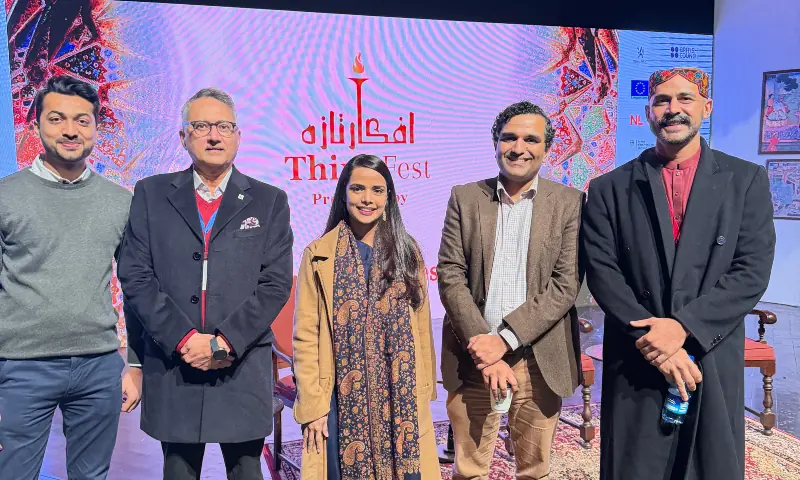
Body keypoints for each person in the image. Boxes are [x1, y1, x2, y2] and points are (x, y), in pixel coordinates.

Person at [581, 67, 776, 479]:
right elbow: (602, 272)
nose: (673, 109)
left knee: (709, 465)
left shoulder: (745, 181)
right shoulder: (608, 188)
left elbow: (751, 271)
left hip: (710, 349)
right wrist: (659, 342)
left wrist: (683, 327)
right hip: (639, 353)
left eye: (685, 99)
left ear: (706, 107)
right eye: (662, 101)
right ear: (648, 112)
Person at [118, 87, 293, 480]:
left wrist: (222, 341)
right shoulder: (152, 194)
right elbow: (136, 275)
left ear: (238, 136)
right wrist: (184, 339)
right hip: (173, 363)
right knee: (178, 471)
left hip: (239, 361)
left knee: (247, 470)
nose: (214, 135)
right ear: (183, 137)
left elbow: (275, 282)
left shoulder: (269, 201)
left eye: (224, 126)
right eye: (201, 126)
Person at [437, 101, 584, 479]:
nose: (519, 147)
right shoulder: (465, 197)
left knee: (534, 471)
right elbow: (451, 274)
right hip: (474, 356)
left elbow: (565, 285)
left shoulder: (569, 203)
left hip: (539, 358)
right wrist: (485, 348)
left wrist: (503, 340)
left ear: (547, 149)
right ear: (496, 143)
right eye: (509, 137)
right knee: (469, 469)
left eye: (531, 139)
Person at [0, 75, 136, 479]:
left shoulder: (120, 201)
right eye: (57, 119)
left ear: (96, 127)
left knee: (92, 476)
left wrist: (134, 365)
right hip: (21, 366)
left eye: (83, 120)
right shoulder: (6, 196)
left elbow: (137, 288)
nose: (71, 130)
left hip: (99, 366)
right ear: (36, 125)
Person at [292, 154, 442, 479]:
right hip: (337, 399)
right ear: (344, 193)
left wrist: (424, 391)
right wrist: (313, 408)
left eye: (377, 190)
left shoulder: (408, 252)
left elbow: (421, 330)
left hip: (399, 392)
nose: (367, 199)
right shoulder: (318, 255)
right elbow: (305, 337)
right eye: (358, 188)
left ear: (388, 197)